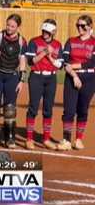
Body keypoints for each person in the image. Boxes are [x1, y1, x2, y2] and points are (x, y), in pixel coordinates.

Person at [0, 14, 28, 148]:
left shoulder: (22, 41)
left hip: (12, 76)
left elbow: (22, 62)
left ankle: (9, 138)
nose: (9, 28)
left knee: (10, 108)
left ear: (18, 27)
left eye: (13, 26)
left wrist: (21, 80)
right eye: (8, 25)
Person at [24, 19, 63, 150]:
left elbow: (59, 65)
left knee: (48, 109)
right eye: (43, 31)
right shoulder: (34, 41)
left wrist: (51, 55)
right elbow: (31, 62)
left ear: (53, 32)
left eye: (47, 31)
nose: (44, 33)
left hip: (51, 78)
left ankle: (46, 139)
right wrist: (45, 52)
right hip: (36, 77)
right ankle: (29, 139)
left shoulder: (58, 44)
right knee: (33, 108)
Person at [58, 15, 95, 151]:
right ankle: (66, 139)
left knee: (82, 109)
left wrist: (73, 66)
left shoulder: (94, 43)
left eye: (83, 25)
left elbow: (92, 62)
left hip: (90, 79)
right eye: (78, 25)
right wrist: (74, 75)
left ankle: (78, 139)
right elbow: (65, 61)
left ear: (90, 27)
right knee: (69, 110)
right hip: (71, 78)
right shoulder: (71, 41)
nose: (80, 28)